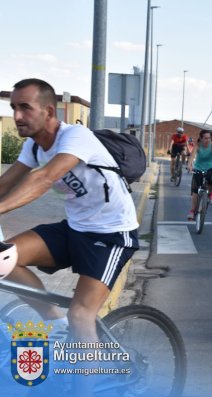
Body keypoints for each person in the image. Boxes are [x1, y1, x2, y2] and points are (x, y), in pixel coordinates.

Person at [0, 79, 139, 377]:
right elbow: (6, 183)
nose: (17, 116)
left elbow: (45, 178)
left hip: (112, 235)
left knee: (80, 315)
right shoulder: (34, 146)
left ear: (49, 111)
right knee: (3, 259)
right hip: (75, 229)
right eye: (14, 107)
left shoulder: (76, 137)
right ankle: (54, 322)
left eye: (25, 107)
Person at [187, 130, 212, 219]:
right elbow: (192, 157)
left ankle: (211, 194)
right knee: (196, 190)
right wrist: (189, 166)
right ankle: (192, 211)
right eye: (205, 138)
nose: (208, 140)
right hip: (199, 168)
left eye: (209, 138)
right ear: (201, 138)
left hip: (211, 167)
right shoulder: (197, 145)